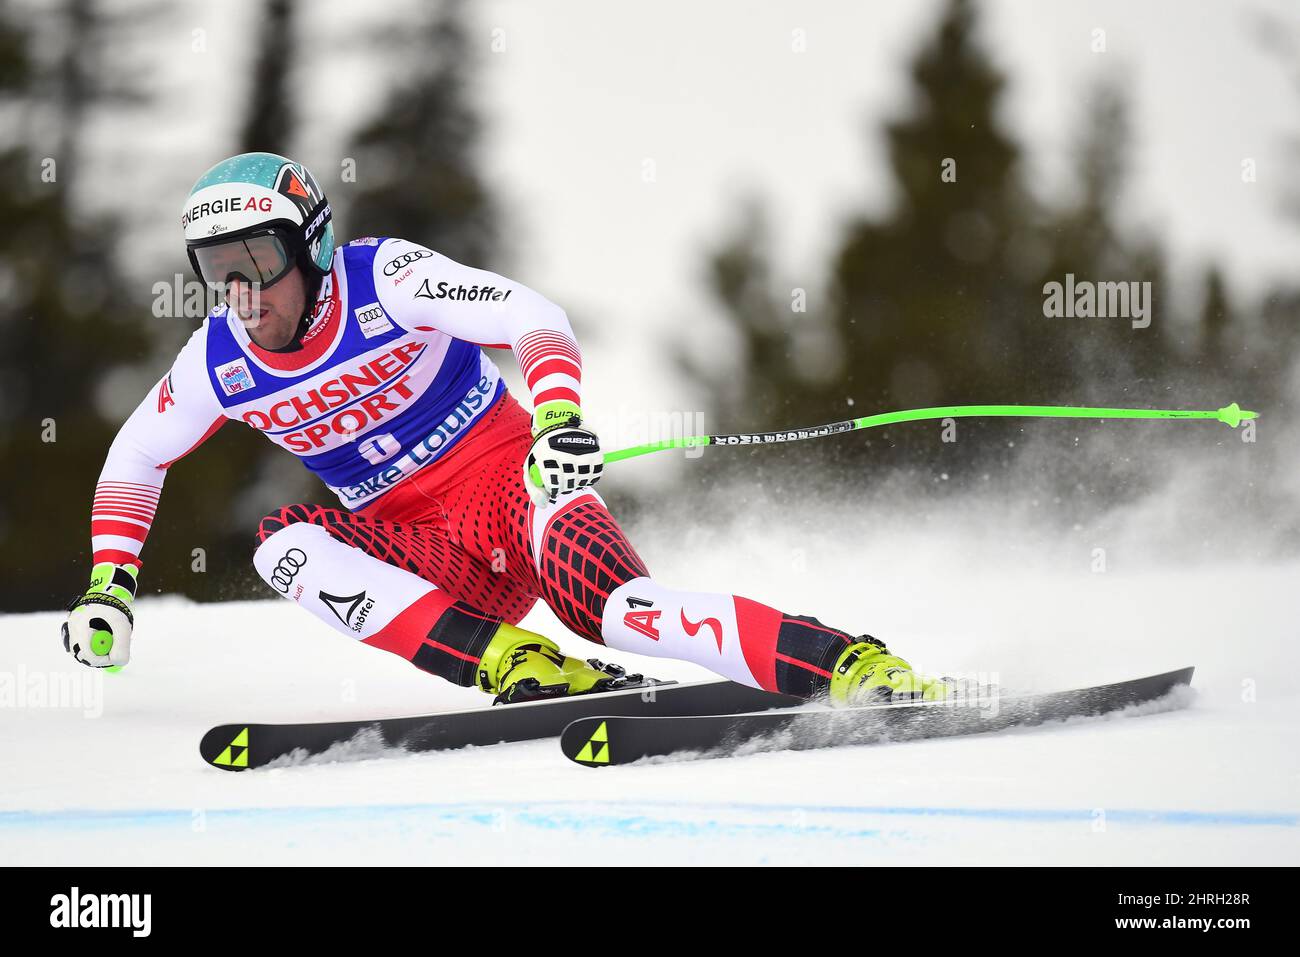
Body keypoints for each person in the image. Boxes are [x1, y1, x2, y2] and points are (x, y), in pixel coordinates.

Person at [61, 151, 952, 707]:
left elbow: (533, 315)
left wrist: (558, 415)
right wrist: (110, 583)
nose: (243, 289)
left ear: (314, 248)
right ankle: (512, 660)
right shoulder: (218, 357)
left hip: (518, 488)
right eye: (219, 270)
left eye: (260, 260)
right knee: (281, 547)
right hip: (430, 555)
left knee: (620, 612)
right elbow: (136, 453)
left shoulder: (387, 280)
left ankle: (848, 665)